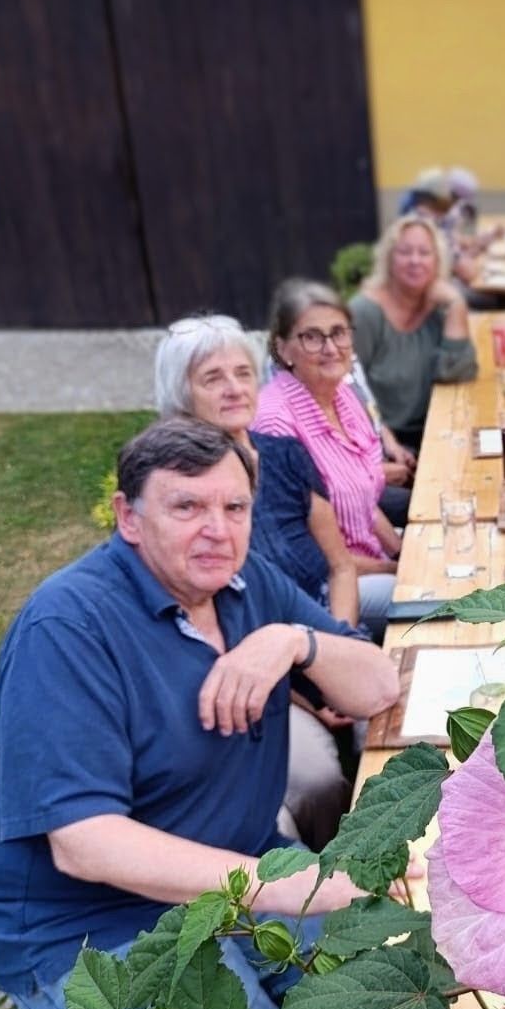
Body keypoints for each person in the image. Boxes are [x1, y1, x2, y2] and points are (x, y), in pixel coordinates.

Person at [0, 418, 398, 1009]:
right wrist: (275, 887)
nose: (217, 529)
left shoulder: (244, 584)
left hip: (229, 861)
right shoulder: (68, 626)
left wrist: (293, 642)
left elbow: (378, 687)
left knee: (388, 990)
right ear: (128, 517)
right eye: (187, 507)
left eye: (234, 508)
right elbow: (85, 844)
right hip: (93, 929)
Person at [155, 314, 357, 849]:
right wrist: (311, 693)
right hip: (255, 680)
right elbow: (217, 635)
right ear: (183, 395)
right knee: (318, 781)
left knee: (420, 627)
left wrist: (335, 651)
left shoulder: (286, 453)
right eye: (212, 377)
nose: (234, 387)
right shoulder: (176, 493)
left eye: (243, 372)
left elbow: (341, 565)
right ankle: (333, 887)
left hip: (315, 630)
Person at [253, 281, 400, 635]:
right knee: (453, 596)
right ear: (283, 348)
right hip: (331, 589)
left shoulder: (344, 394)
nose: (331, 348)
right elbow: (308, 558)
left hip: (372, 558)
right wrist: (397, 569)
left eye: (338, 333)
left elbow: (363, 493)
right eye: (312, 337)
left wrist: (400, 549)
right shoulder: (276, 426)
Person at [350, 213, 478, 452]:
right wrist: (384, 447)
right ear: (389, 259)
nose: (415, 261)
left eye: (424, 253)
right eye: (405, 252)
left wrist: (456, 303)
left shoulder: (440, 307)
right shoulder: (364, 312)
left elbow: (458, 373)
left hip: (435, 432)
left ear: (438, 261)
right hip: (383, 443)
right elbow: (343, 390)